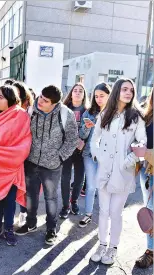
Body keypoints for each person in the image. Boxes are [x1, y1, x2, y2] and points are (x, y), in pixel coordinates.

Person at [90, 78, 146, 265]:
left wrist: (127, 162)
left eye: (131, 90)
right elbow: (94, 139)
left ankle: (113, 247)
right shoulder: (105, 113)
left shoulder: (136, 116)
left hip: (123, 173)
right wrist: (98, 156)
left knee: (115, 212)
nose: (128, 92)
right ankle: (102, 244)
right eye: (124, 89)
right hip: (104, 170)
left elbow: (141, 144)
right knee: (103, 211)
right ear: (116, 91)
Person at [15, 85, 78, 245]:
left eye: (45, 100)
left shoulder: (65, 114)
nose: (40, 101)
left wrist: (59, 157)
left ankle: (51, 229)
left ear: (54, 104)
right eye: (41, 97)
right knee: (30, 196)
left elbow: (72, 140)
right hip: (31, 161)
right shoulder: (30, 111)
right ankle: (31, 224)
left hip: (52, 165)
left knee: (50, 198)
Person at [0, 85, 28, 246]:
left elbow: (25, 141)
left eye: (0, 96)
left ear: (10, 100)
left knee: (9, 199)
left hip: (13, 165)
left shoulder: (21, 116)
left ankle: (8, 228)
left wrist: (10, 155)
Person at [78, 83, 111, 228]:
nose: (98, 99)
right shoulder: (88, 112)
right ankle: (88, 214)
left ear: (109, 96)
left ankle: (107, 216)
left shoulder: (114, 113)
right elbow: (81, 135)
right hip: (89, 155)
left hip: (108, 156)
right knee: (91, 187)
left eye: (102, 96)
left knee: (105, 187)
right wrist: (86, 127)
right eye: (96, 96)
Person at [60, 83, 90, 219]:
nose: (77, 93)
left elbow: (93, 130)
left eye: (80, 91)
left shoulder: (88, 111)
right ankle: (65, 206)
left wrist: (84, 142)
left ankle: (74, 202)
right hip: (67, 149)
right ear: (71, 93)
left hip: (81, 151)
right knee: (65, 178)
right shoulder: (64, 109)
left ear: (84, 95)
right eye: (75, 90)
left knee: (79, 179)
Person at [12, 81, 34, 227]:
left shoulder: (30, 111)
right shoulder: (8, 111)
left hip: (27, 154)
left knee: (25, 185)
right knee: (10, 186)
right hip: (11, 155)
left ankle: (23, 212)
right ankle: (8, 216)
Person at [136, 90, 153, 269]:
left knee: (151, 210)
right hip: (145, 171)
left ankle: (150, 251)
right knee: (149, 210)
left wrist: (147, 153)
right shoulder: (146, 116)